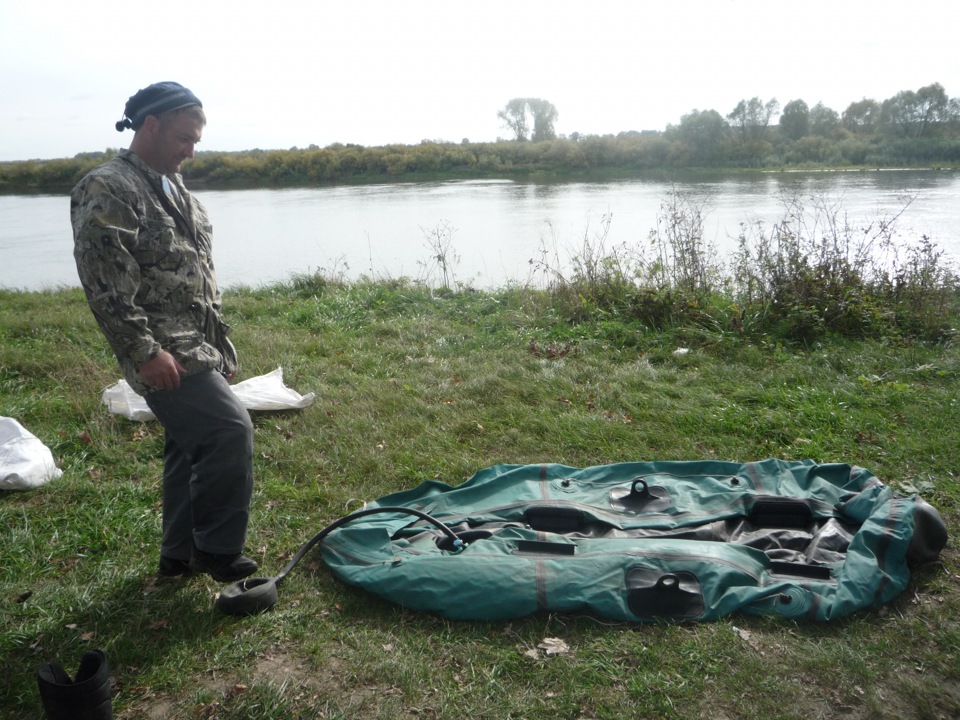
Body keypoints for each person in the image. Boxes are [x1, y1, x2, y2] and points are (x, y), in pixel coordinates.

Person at [71, 81, 257, 582]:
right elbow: (104, 280)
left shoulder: (176, 187)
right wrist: (142, 350)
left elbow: (199, 272)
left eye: (196, 140)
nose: (190, 151)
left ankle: (177, 557)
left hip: (198, 345)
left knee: (188, 445)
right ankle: (217, 551)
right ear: (149, 127)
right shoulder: (108, 186)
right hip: (161, 348)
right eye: (183, 138)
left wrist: (219, 343)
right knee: (227, 432)